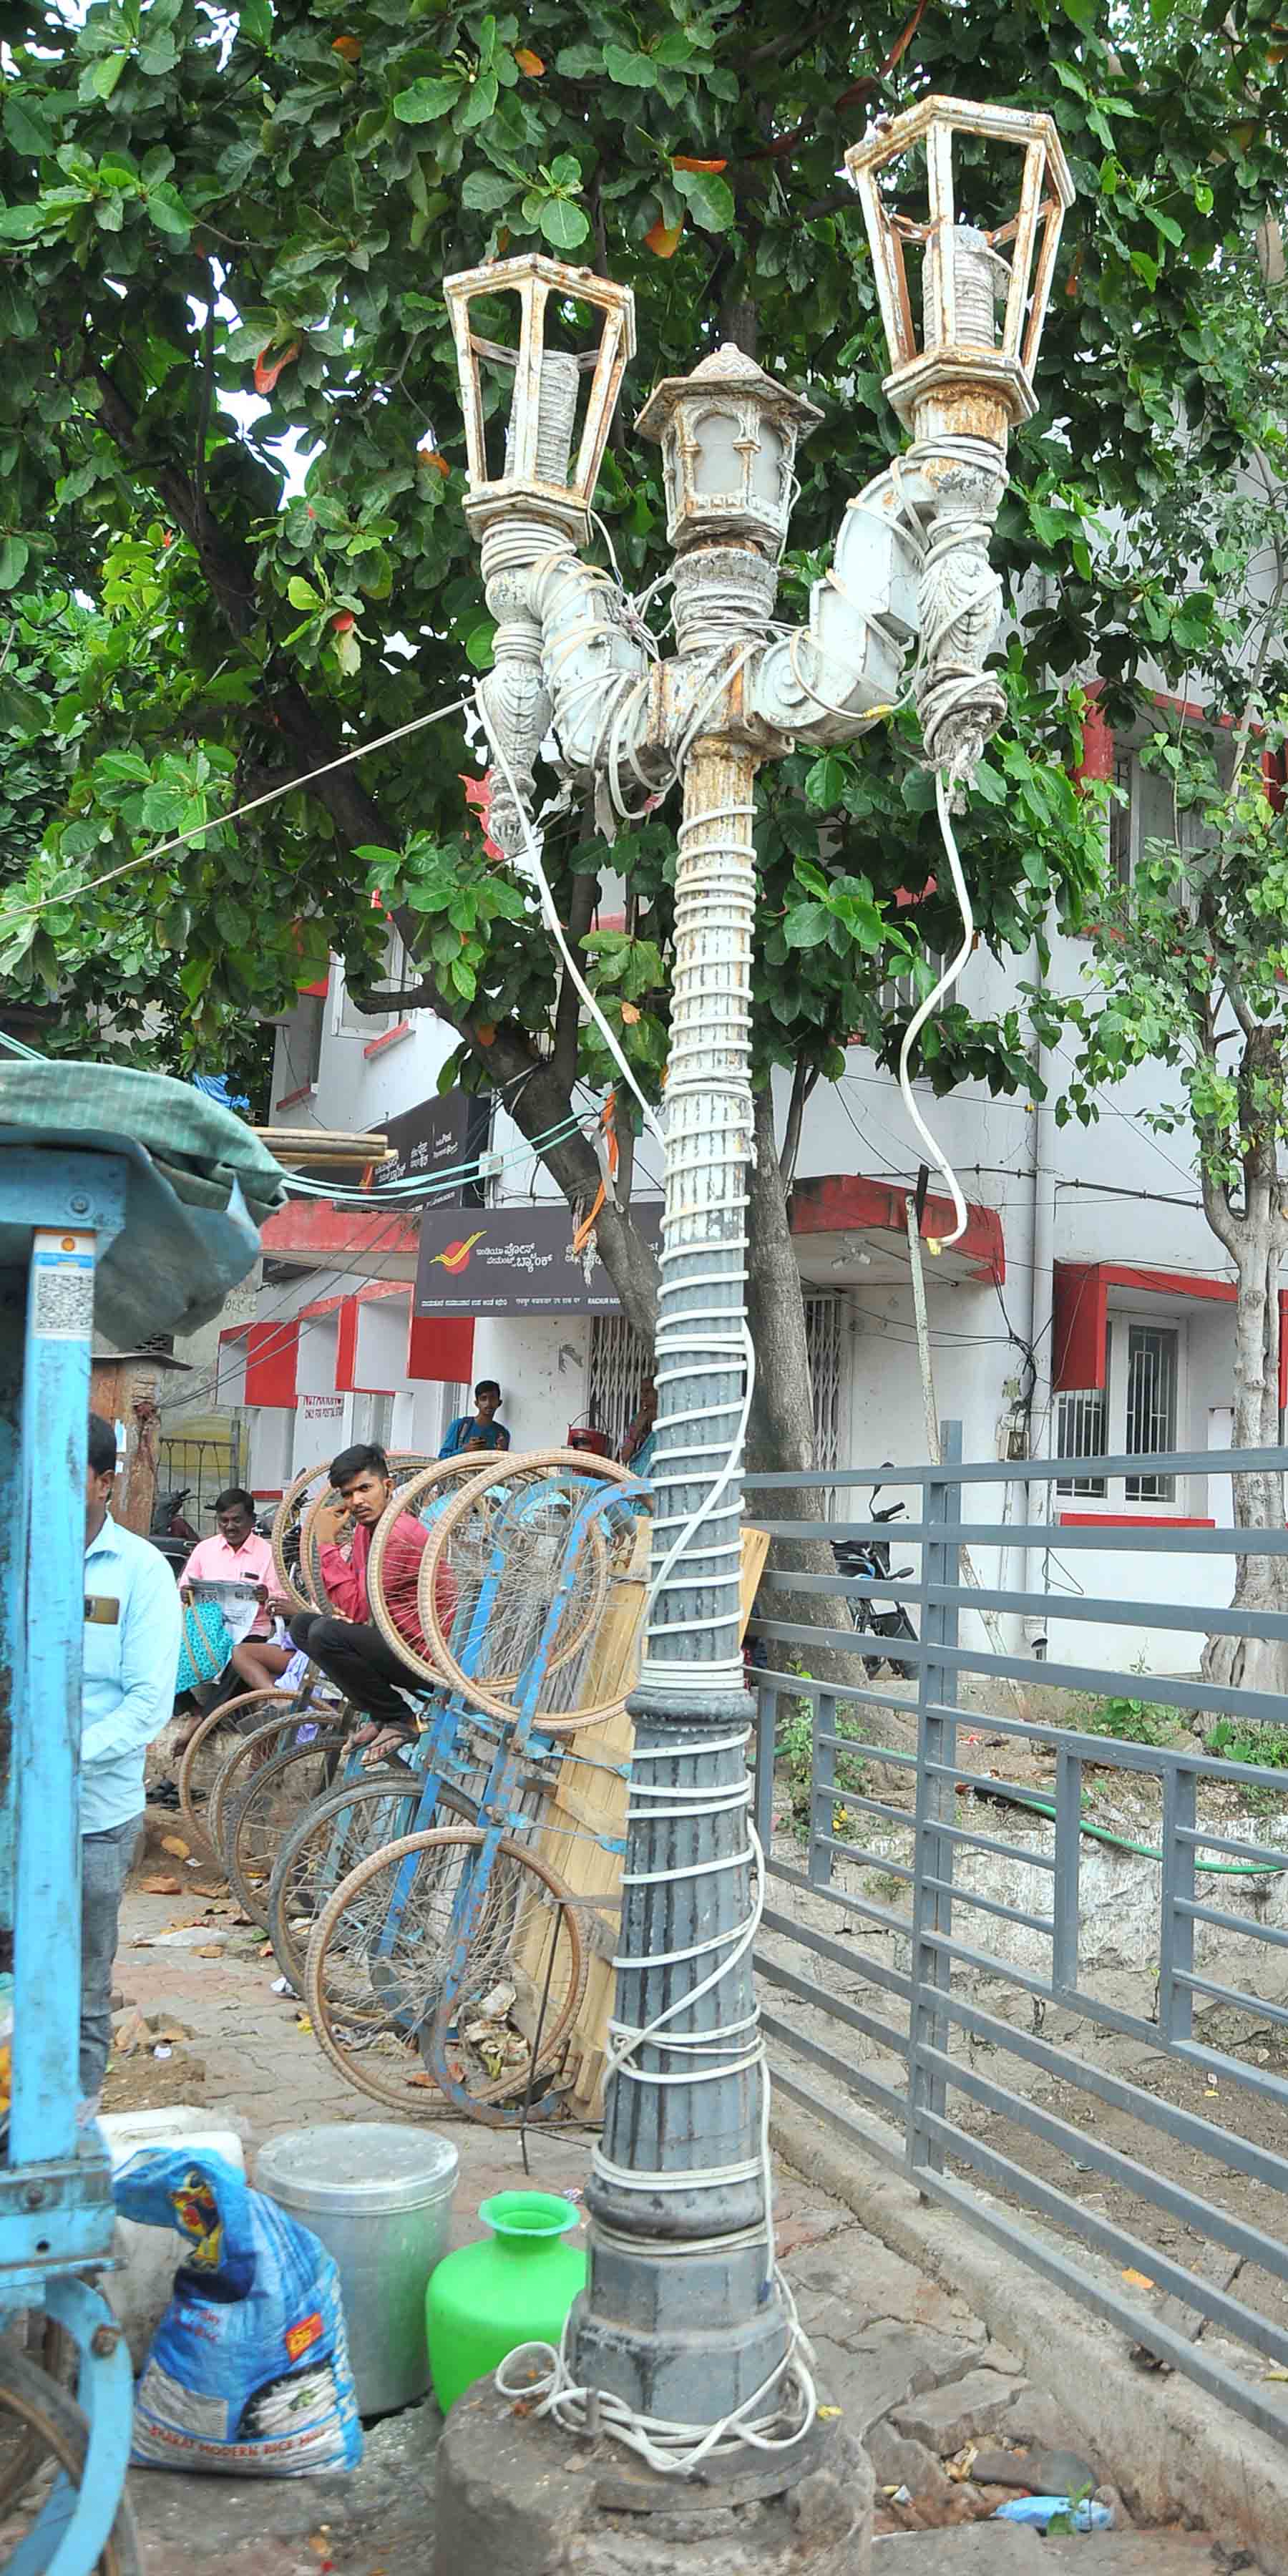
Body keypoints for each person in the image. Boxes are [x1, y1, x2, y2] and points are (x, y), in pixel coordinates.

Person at [82, 1413, 183, 2113]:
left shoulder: (140, 1571)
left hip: (91, 1812)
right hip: (14, 1813)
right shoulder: (18, 1554)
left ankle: (71, 2127)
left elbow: (148, 1704)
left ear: (105, 1482)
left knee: (81, 1982)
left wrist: (56, 1762)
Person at [287, 1443, 454, 1763]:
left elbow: (356, 1608)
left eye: (365, 1488)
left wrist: (325, 1543)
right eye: (348, 1494)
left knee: (324, 1633)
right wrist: (345, 1613)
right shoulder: (368, 1530)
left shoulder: (398, 1533)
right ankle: (381, 1714)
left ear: (388, 1486)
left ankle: (400, 1719)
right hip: (396, 1644)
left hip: (427, 1657)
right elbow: (351, 1599)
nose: (357, 1501)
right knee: (303, 1626)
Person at [173, 1487, 283, 1751]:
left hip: (251, 1629)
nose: (230, 1527)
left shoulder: (267, 1552)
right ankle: (193, 1708)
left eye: (237, 1520)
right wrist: (187, 1594)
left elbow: (279, 1599)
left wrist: (265, 1596)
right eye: (224, 1521)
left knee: (238, 1654)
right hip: (208, 1628)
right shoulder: (204, 1550)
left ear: (251, 1521)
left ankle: (203, 1719)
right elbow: (182, 1593)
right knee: (161, 1652)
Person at [439, 1380, 510, 1459]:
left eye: (492, 1398)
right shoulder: (460, 1425)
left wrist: (501, 1452)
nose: (488, 1403)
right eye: (483, 1399)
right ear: (477, 1403)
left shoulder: (502, 1433)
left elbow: (504, 1465)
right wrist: (465, 1450)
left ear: (499, 1403)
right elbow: (442, 1458)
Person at [619, 1375, 657, 1474]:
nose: (643, 1396)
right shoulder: (636, 1419)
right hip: (636, 1475)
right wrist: (637, 1430)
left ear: (658, 1392)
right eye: (642, 1391)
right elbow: (625, 1457)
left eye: (648, 1391)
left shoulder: (666, 1419)